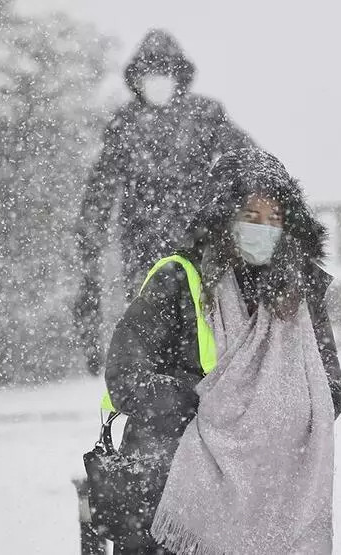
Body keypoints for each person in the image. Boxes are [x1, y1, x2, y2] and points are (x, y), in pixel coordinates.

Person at [104, 148, 341, 554]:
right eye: (251, 217)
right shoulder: (179, 280)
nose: (263, 229)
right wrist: (197, 408)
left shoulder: (299, 294)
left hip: (271, 485)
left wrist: (273, 413)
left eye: (274, 219)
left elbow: (330, 387)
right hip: (175, 481)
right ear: (223, 219)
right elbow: (125, 373)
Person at [74, 28, 252, 375]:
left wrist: (244, 204)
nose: (157, 81)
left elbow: (244, 157)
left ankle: (204, 388)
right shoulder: (125, 124)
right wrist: (90, 233)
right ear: (137, 80)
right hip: (143, 247)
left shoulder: (204, 116)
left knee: (201, 323)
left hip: (198, 242)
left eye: (163, 73)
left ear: (177, 76)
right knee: (152, 327)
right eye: (149, 74)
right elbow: (100, 188)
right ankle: (160, 394)